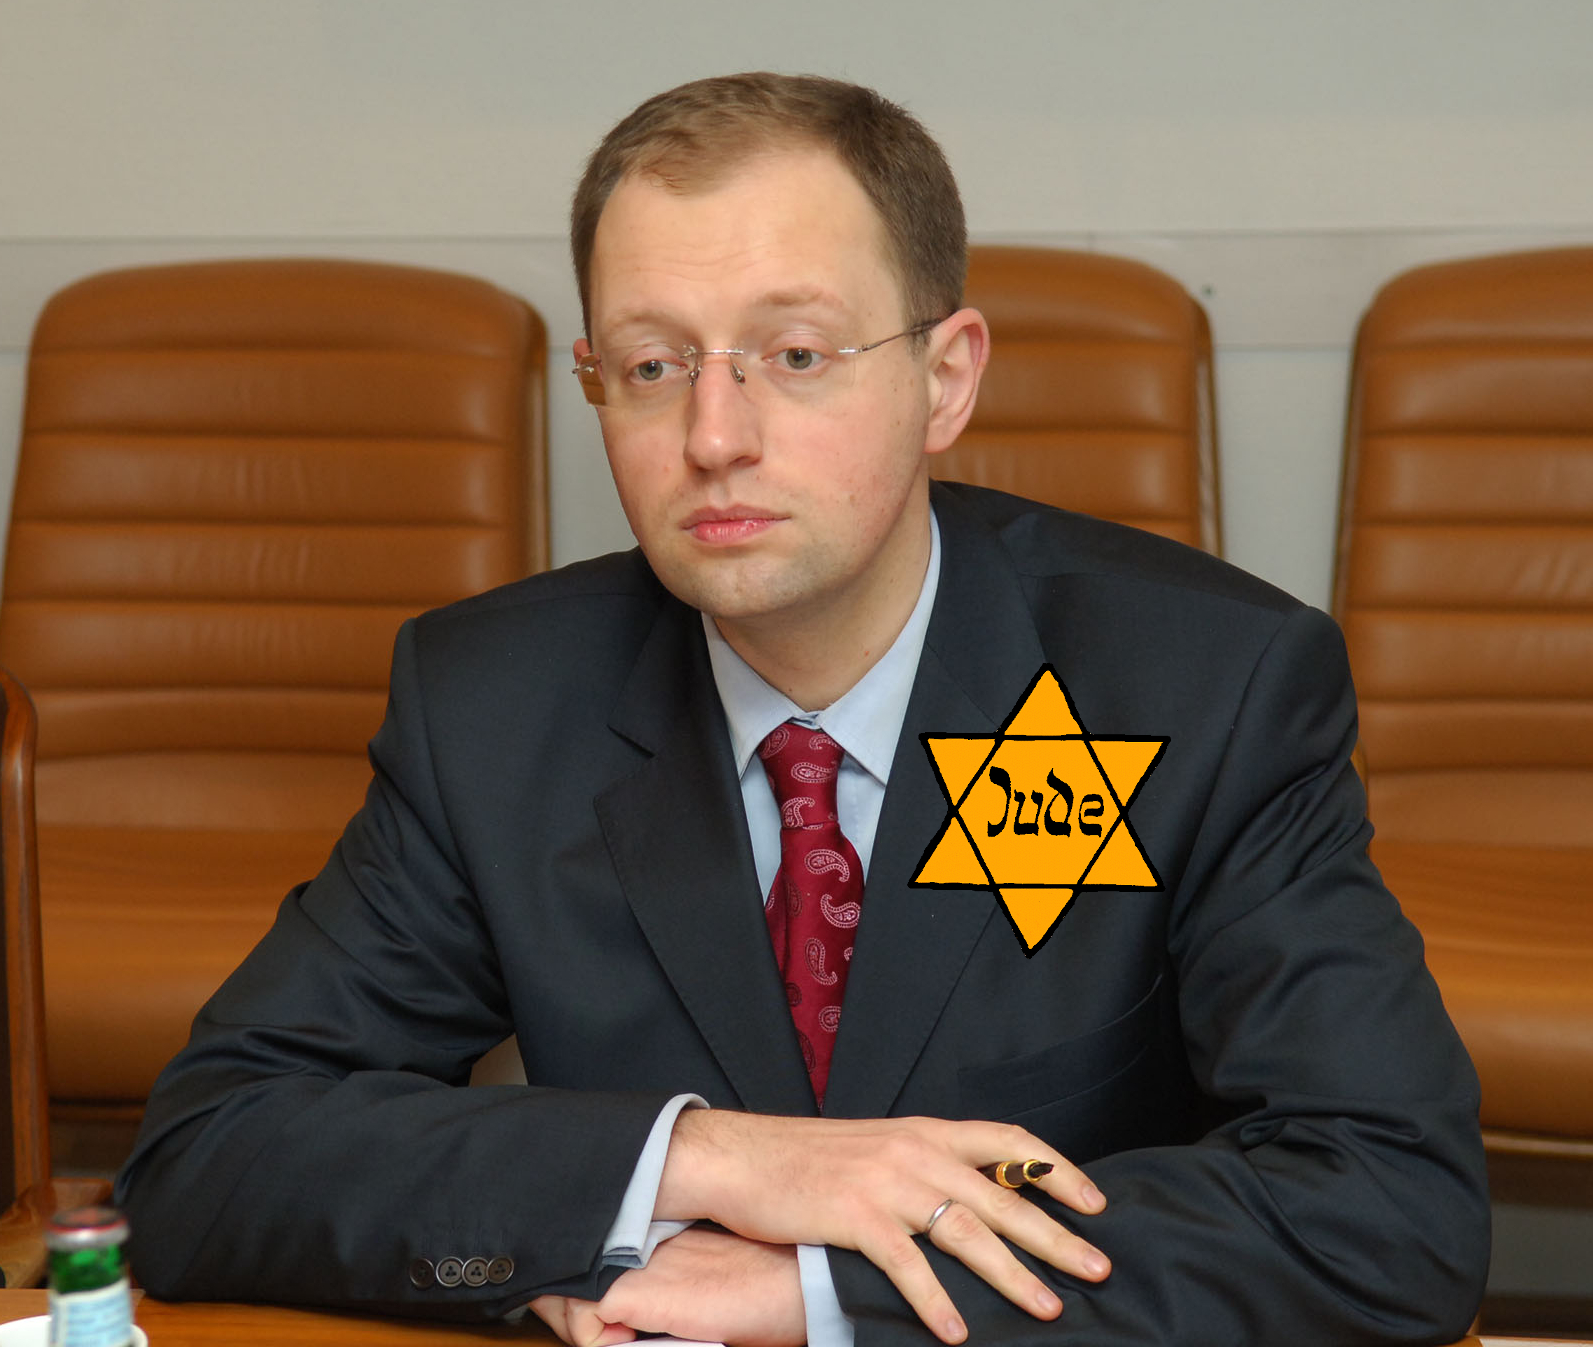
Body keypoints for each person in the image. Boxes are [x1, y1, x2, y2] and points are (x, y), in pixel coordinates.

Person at [116, 72, 1489, 1346]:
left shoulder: (1207, 684)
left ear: (945, 378)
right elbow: (210, 1155)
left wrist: (812, 1288)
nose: (714, 437)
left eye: (795, 353)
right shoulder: (491, 703)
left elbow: (1388, 1206)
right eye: (653, 367)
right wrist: (702, 1160)